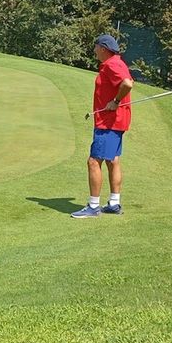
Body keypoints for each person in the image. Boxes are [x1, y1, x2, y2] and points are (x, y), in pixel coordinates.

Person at [72, 34, 134, 219]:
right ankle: (114, 204)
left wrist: (116, 101)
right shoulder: (117, 63)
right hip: (116, 121)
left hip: (109, 122)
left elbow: (127, 84)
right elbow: (128, 81)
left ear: (103, 48)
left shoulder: (112, 65)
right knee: (112, 160)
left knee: (93, 161)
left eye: (96, 47)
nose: (94, 50)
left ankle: (93, 206)